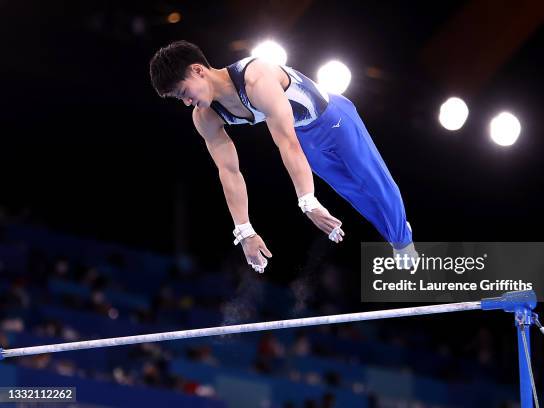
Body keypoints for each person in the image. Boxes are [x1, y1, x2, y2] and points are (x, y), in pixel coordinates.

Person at [149, 40, 415, 273]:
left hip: (335, 120)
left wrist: (308, 202)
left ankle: (403, 242)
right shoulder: (204, 117)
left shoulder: (256, 78)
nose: (186, 103)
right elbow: (229, 172)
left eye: (184, 93)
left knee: (372, 180)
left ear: (198, 70)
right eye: (179, 99)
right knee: (352, 191)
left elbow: (286, 143)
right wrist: (245, 232)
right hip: (306, 138)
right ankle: (395, 236)